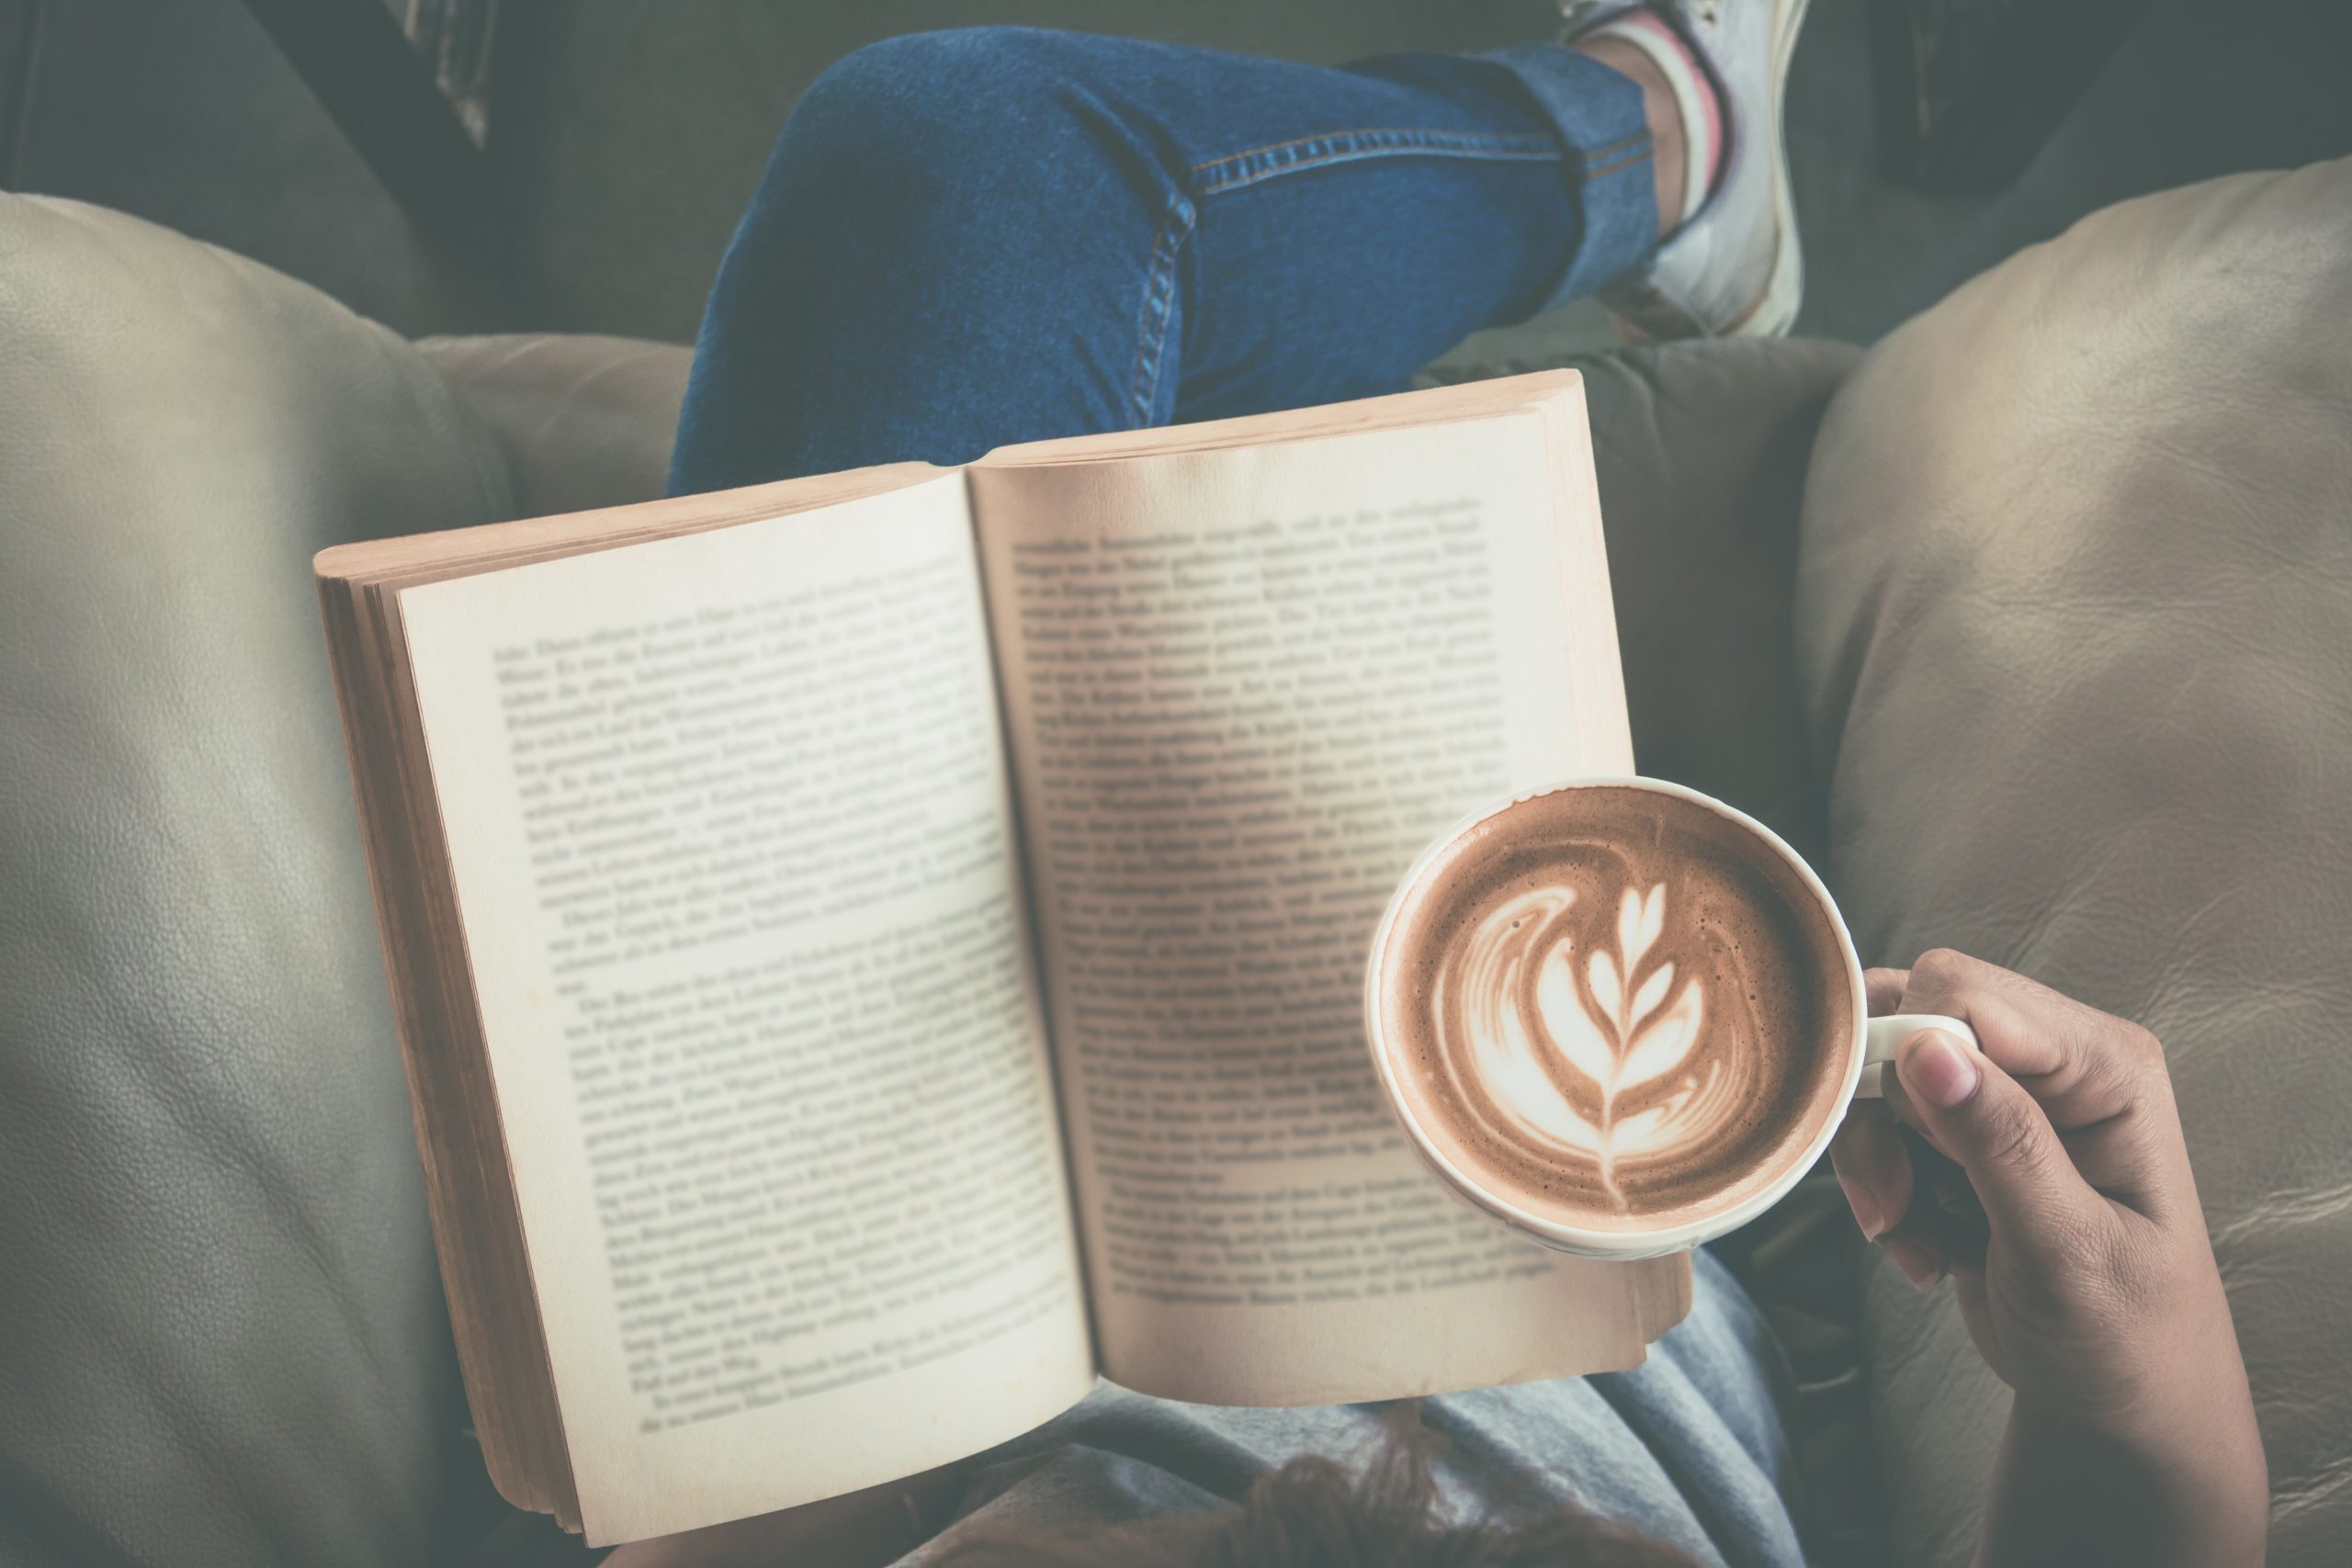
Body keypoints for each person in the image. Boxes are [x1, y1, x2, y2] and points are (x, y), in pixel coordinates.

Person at [642, 6, 2269, 1564]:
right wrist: (2135, 1373)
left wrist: (806, 1420)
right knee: (969, 168)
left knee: (948, 156)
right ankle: (1665, 144)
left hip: (923, 1289)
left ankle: (1655, 146)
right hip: (1552, 1142)